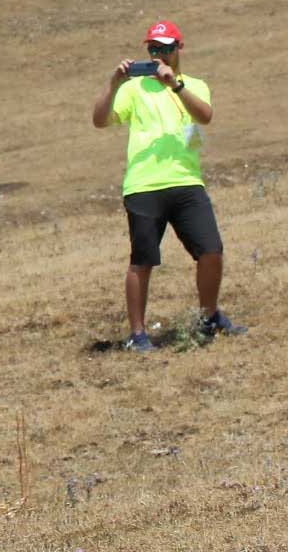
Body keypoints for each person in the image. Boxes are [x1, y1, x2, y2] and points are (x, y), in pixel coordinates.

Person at [91, 20, 244, 351]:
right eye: (153, 49)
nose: (158, 54)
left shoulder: (194, 85)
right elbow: (100, 120)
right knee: (142, 259)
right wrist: (114, 83)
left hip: (187, 182)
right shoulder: (133, 89)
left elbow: (204, 116)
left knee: (211, 251)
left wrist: (175, 85)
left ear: (179, 49)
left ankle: (209, 316)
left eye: (165, 48)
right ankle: (138, 334)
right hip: (144, 185)